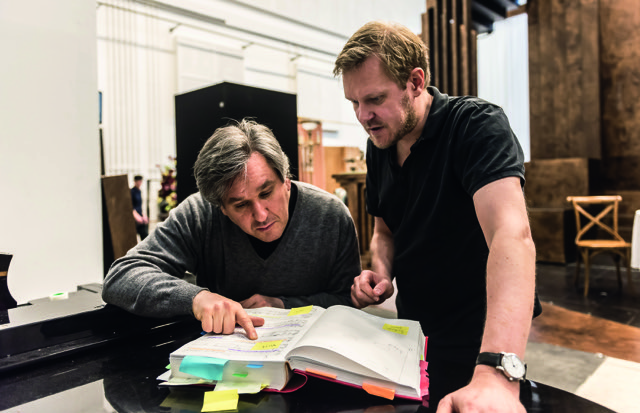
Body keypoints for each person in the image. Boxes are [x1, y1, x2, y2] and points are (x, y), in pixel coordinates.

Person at [334, 21, 539, 412]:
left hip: (479, 334)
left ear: (415, 81)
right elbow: (384, 230)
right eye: (354, 103)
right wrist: (381, 271)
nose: (363, 115)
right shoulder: (379, 143)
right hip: (413, 332)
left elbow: (511, 235)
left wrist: (496, 371)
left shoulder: (476, 126)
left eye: (374, 99)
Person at [103, 119, 361, 340]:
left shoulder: (330, 216)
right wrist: (196, 298)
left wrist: (283, 305)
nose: (261, 215)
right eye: (241, 204)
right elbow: (121, 277)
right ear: (221, 208)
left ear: (286, 181)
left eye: (267, 192)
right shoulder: (200, 214)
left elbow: (348, 301)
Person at [131, 175, 149, 240]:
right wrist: (137, 217)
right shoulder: (132, 191)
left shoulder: (139, 191)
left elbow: (140, 205)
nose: (139, 183)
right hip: (135, 217)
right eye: (138, 181)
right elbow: (131, 206)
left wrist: (144, 215)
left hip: (140, 215)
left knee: (145, 235)